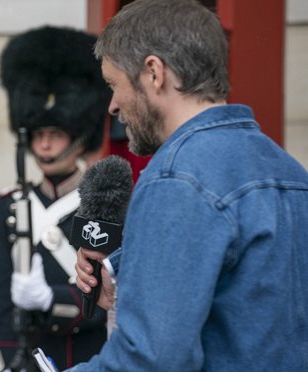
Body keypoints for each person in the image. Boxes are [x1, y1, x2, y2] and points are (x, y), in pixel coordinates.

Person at [70, 0, 308, 371]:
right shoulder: (291, 172)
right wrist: (122, 280)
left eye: (114, 85)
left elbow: (151, 360)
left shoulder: (176, 179)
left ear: (154, 73)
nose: (113, 106)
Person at [0, 26, 112, 371]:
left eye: (56, 134)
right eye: (39, 134)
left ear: (80, 138)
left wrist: (50, 300)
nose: (45, 146)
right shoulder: (7, 207)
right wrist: (8, 363)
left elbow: (105, 301)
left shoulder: (103, 204)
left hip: (88, 358)